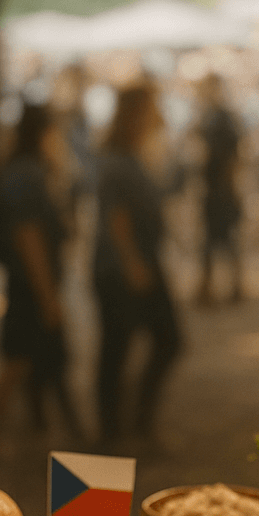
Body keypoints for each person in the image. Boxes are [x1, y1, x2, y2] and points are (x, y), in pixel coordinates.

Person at [0, 104, 80, 450]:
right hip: (31, 285)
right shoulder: (27, 174)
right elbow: (29, 237)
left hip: (31, 283)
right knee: (17, 360)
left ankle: (49, 431)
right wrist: (47, 295)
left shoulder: (25, 170)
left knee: (44, 359)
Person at [94, 84, 181, 449]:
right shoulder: (117, 160)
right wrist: (131, 261)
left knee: (162, 341)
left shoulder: (135, 155)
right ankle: (115, 430)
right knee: (121, 346)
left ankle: (134, 424)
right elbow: (117, 217)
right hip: (123, 267)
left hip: (139, 261)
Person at [195, 75, 244, 305]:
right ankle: (214, 287)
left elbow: (232, 158)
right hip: (215, 187)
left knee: (222, 240)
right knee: (216, 240)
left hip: (220, 189)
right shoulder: (210, 117)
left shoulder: (221, 119)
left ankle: (228, 287)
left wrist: (229, 187)